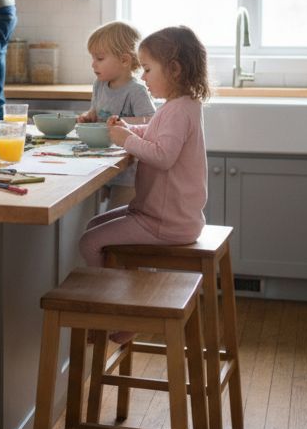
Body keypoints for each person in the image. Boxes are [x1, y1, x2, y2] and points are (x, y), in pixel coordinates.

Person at [77, 26, 210, 341]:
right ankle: (127, 302)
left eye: (148, 69)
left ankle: (123, 310)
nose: (143, 76)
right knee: (94, 226)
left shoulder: (178, 111)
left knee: (89, 242)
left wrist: (126, 140)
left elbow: (162, 156)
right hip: (164, 215)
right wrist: (129, 130)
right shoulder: (180, 106)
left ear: (174, 70)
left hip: (165, 222)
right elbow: (155, 134)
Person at [76, 21, 156, 209]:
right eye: (93, 58)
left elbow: (152, 123)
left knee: (117, 214)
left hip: (129, 173)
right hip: (101, 163)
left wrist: (122, 122)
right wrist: (89, 116)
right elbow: (96, 111)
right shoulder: (99, 84)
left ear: (124, 60)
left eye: (100, 58)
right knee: (98, 214)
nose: (93, 64)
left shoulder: (136, 91)